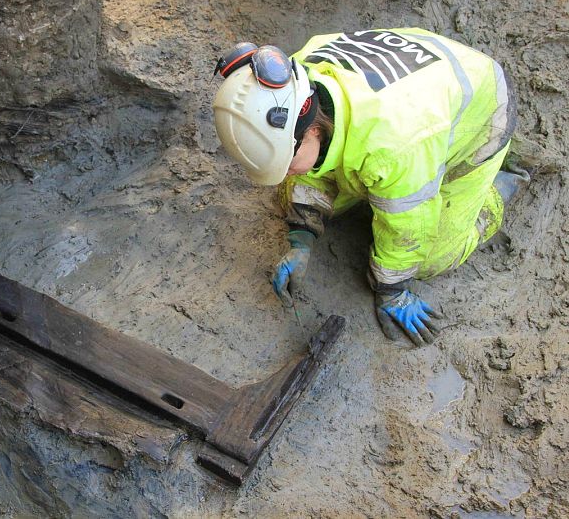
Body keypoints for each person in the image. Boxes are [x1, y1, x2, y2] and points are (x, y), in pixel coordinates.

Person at [212, 28, 529, 346]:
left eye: (286, 162)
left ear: (312, 132)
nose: (284, 173)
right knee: (304, 186)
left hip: (480, 111)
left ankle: (500, 180)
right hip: (424, 80)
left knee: (431, 258)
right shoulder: (294, 87)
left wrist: (392, 290)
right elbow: (306, 170)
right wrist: (301, 237)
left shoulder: (396, 146)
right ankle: (384, 185)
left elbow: (410, 230)